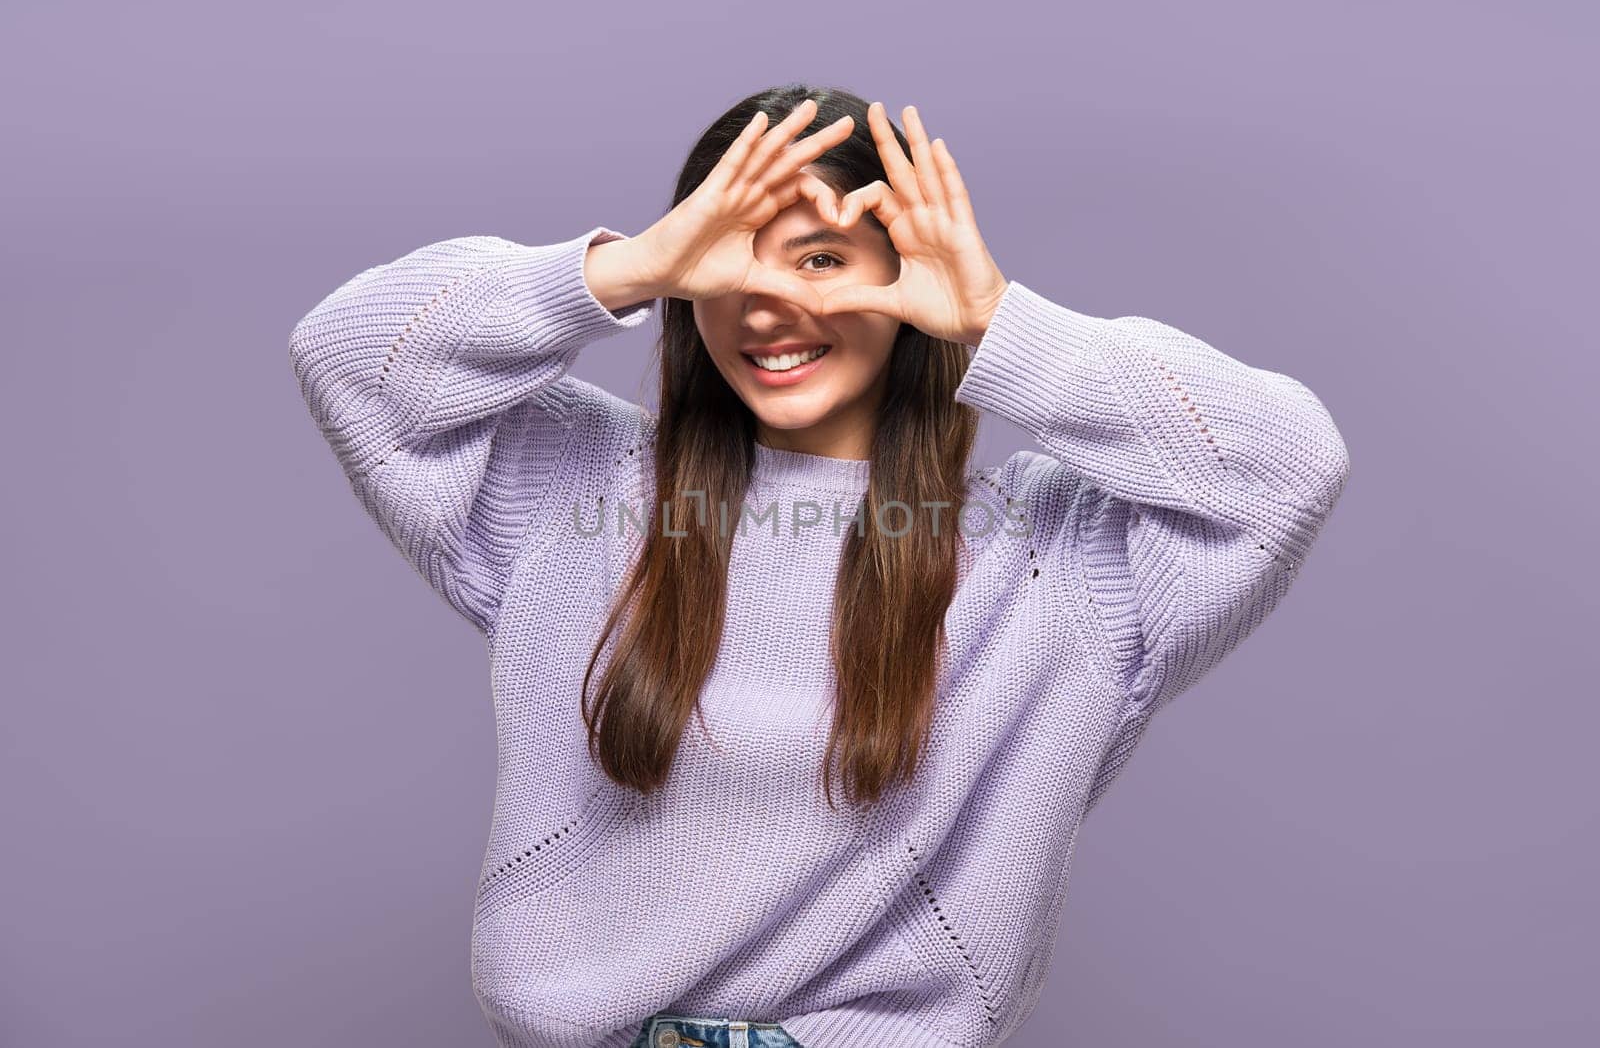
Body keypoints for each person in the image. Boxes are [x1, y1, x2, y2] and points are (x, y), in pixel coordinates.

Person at [287, 83, 1350, 1048]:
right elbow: (352, 354)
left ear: (905, 284)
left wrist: (996, 322)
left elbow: (1284, 465)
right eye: (730, 258)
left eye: (820, 259)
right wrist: (626, 265)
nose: (765, 303)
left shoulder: (1048, 553)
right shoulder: (585, 490)